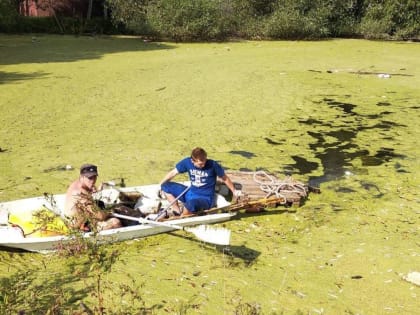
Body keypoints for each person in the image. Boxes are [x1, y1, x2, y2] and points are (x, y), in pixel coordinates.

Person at [159, 147, 240, 216]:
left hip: (205, 198)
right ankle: (176, 210)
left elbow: (225, 178)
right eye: (200, 164)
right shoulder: (187, 162)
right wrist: (160, 185)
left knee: (190, 205)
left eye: (204, 162)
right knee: (165, 186)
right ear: (192, 161)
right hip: (190, 193)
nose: (203, 166)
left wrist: (234, 191)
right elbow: (173, 173)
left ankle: (182, 217)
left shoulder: (213, 165)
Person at [64, 164, 121, 231]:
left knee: (101, 204)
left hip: (82, 219)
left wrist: (96, 191)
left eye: (94, 177)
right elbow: (100, 216)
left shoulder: (77, 184)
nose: (93, 181)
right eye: (90, 178)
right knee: (115, 222)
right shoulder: (80, 192)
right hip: (77, 228)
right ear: (82, 177)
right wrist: (110, 212)